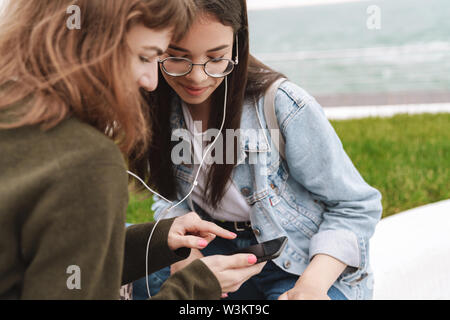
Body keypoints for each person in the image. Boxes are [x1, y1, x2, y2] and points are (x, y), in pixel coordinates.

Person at [0, 0, 265, 300]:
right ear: (89, 43)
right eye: (144, 56)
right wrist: (195, 287)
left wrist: (156, 239)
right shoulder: (86, 163)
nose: (151, 82)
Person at [129, 0, 383, 300]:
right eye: (177, 57)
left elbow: (355, 206)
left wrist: (311, 286)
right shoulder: (158, 102)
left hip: (299, 260)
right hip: (217, 248)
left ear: (237, 44)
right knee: (111, 256)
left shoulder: (282, 105)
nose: (197, 78)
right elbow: (171, 198)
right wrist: (186, 256)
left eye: (216, 57)